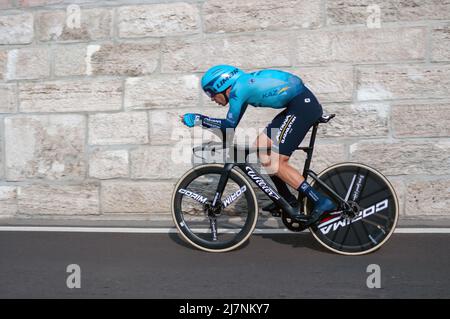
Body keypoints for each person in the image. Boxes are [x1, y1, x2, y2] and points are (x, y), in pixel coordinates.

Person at [180, 65, 336, 225]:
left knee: (277, 162)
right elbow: (230, 128)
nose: (212, 99)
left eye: (211, 94)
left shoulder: (238, 90)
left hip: (302, 107)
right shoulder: (242, 87)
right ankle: (288, 201)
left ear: (222, 85)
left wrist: (199, 119)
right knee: (262, 148)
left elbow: (227, 125)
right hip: (298, 105)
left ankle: (320, 200)